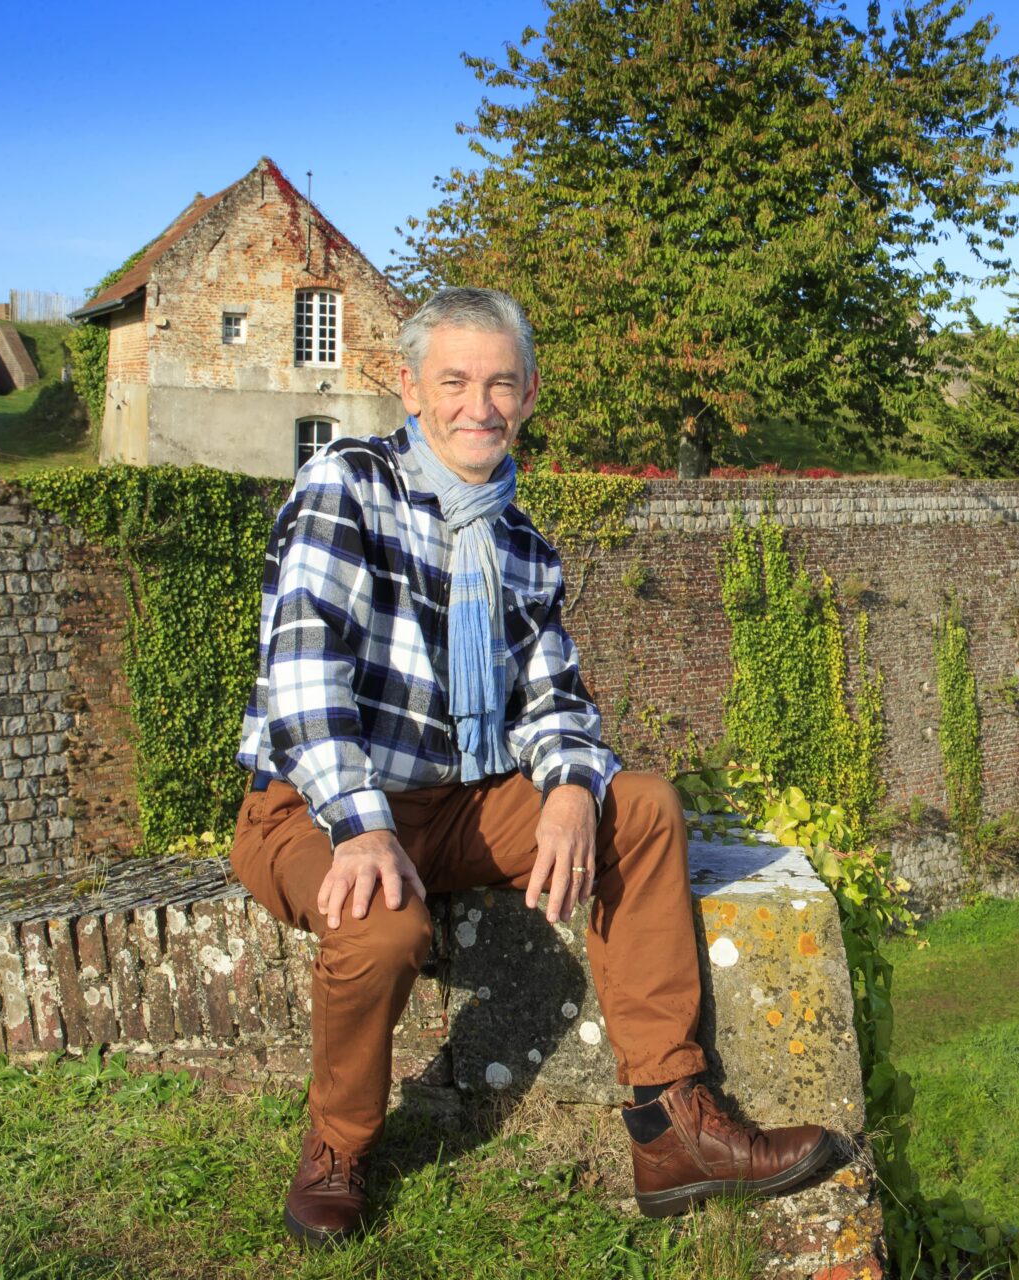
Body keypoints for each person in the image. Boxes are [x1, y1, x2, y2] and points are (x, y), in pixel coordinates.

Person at [231, 286, 831, 1244]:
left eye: (501, 383)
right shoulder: (346, 485)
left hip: (456, 800)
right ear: (410, 387)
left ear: (530, 393)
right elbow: (303, 678)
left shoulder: (521, 544)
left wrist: (566, 790)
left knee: (636, 806)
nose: (481, 405)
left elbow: (559, 705)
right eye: (456, 381)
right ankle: (338, 1143)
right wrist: (362, 824)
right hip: (311, 806)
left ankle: (670, 1124)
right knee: (382, 925)